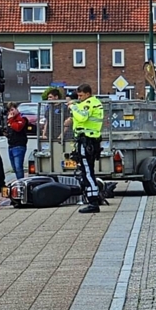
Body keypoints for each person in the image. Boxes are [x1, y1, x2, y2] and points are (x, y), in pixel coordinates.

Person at [64, 83, 104, 214]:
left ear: (87, 94)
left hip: (86, 140)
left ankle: (93, 201)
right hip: (91, 140)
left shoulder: (89, 104)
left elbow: (82, 116)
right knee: (88, 171)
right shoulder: (94, 103)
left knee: (87, 172)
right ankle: (93, 198)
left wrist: (73, 106)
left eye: (81, 95)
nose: (79, 98)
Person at [6, 102, 29, 180]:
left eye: (12, 109)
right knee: (14, 167)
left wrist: (10, 120)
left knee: (18, 167)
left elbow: (18, 128)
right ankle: (19, 180)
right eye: (9, 111)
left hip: (19, 145)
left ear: (16, 109)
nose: (11, 112)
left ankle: (21, 182)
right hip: (11, 145)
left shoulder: (22, 118)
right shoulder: (9, 120)